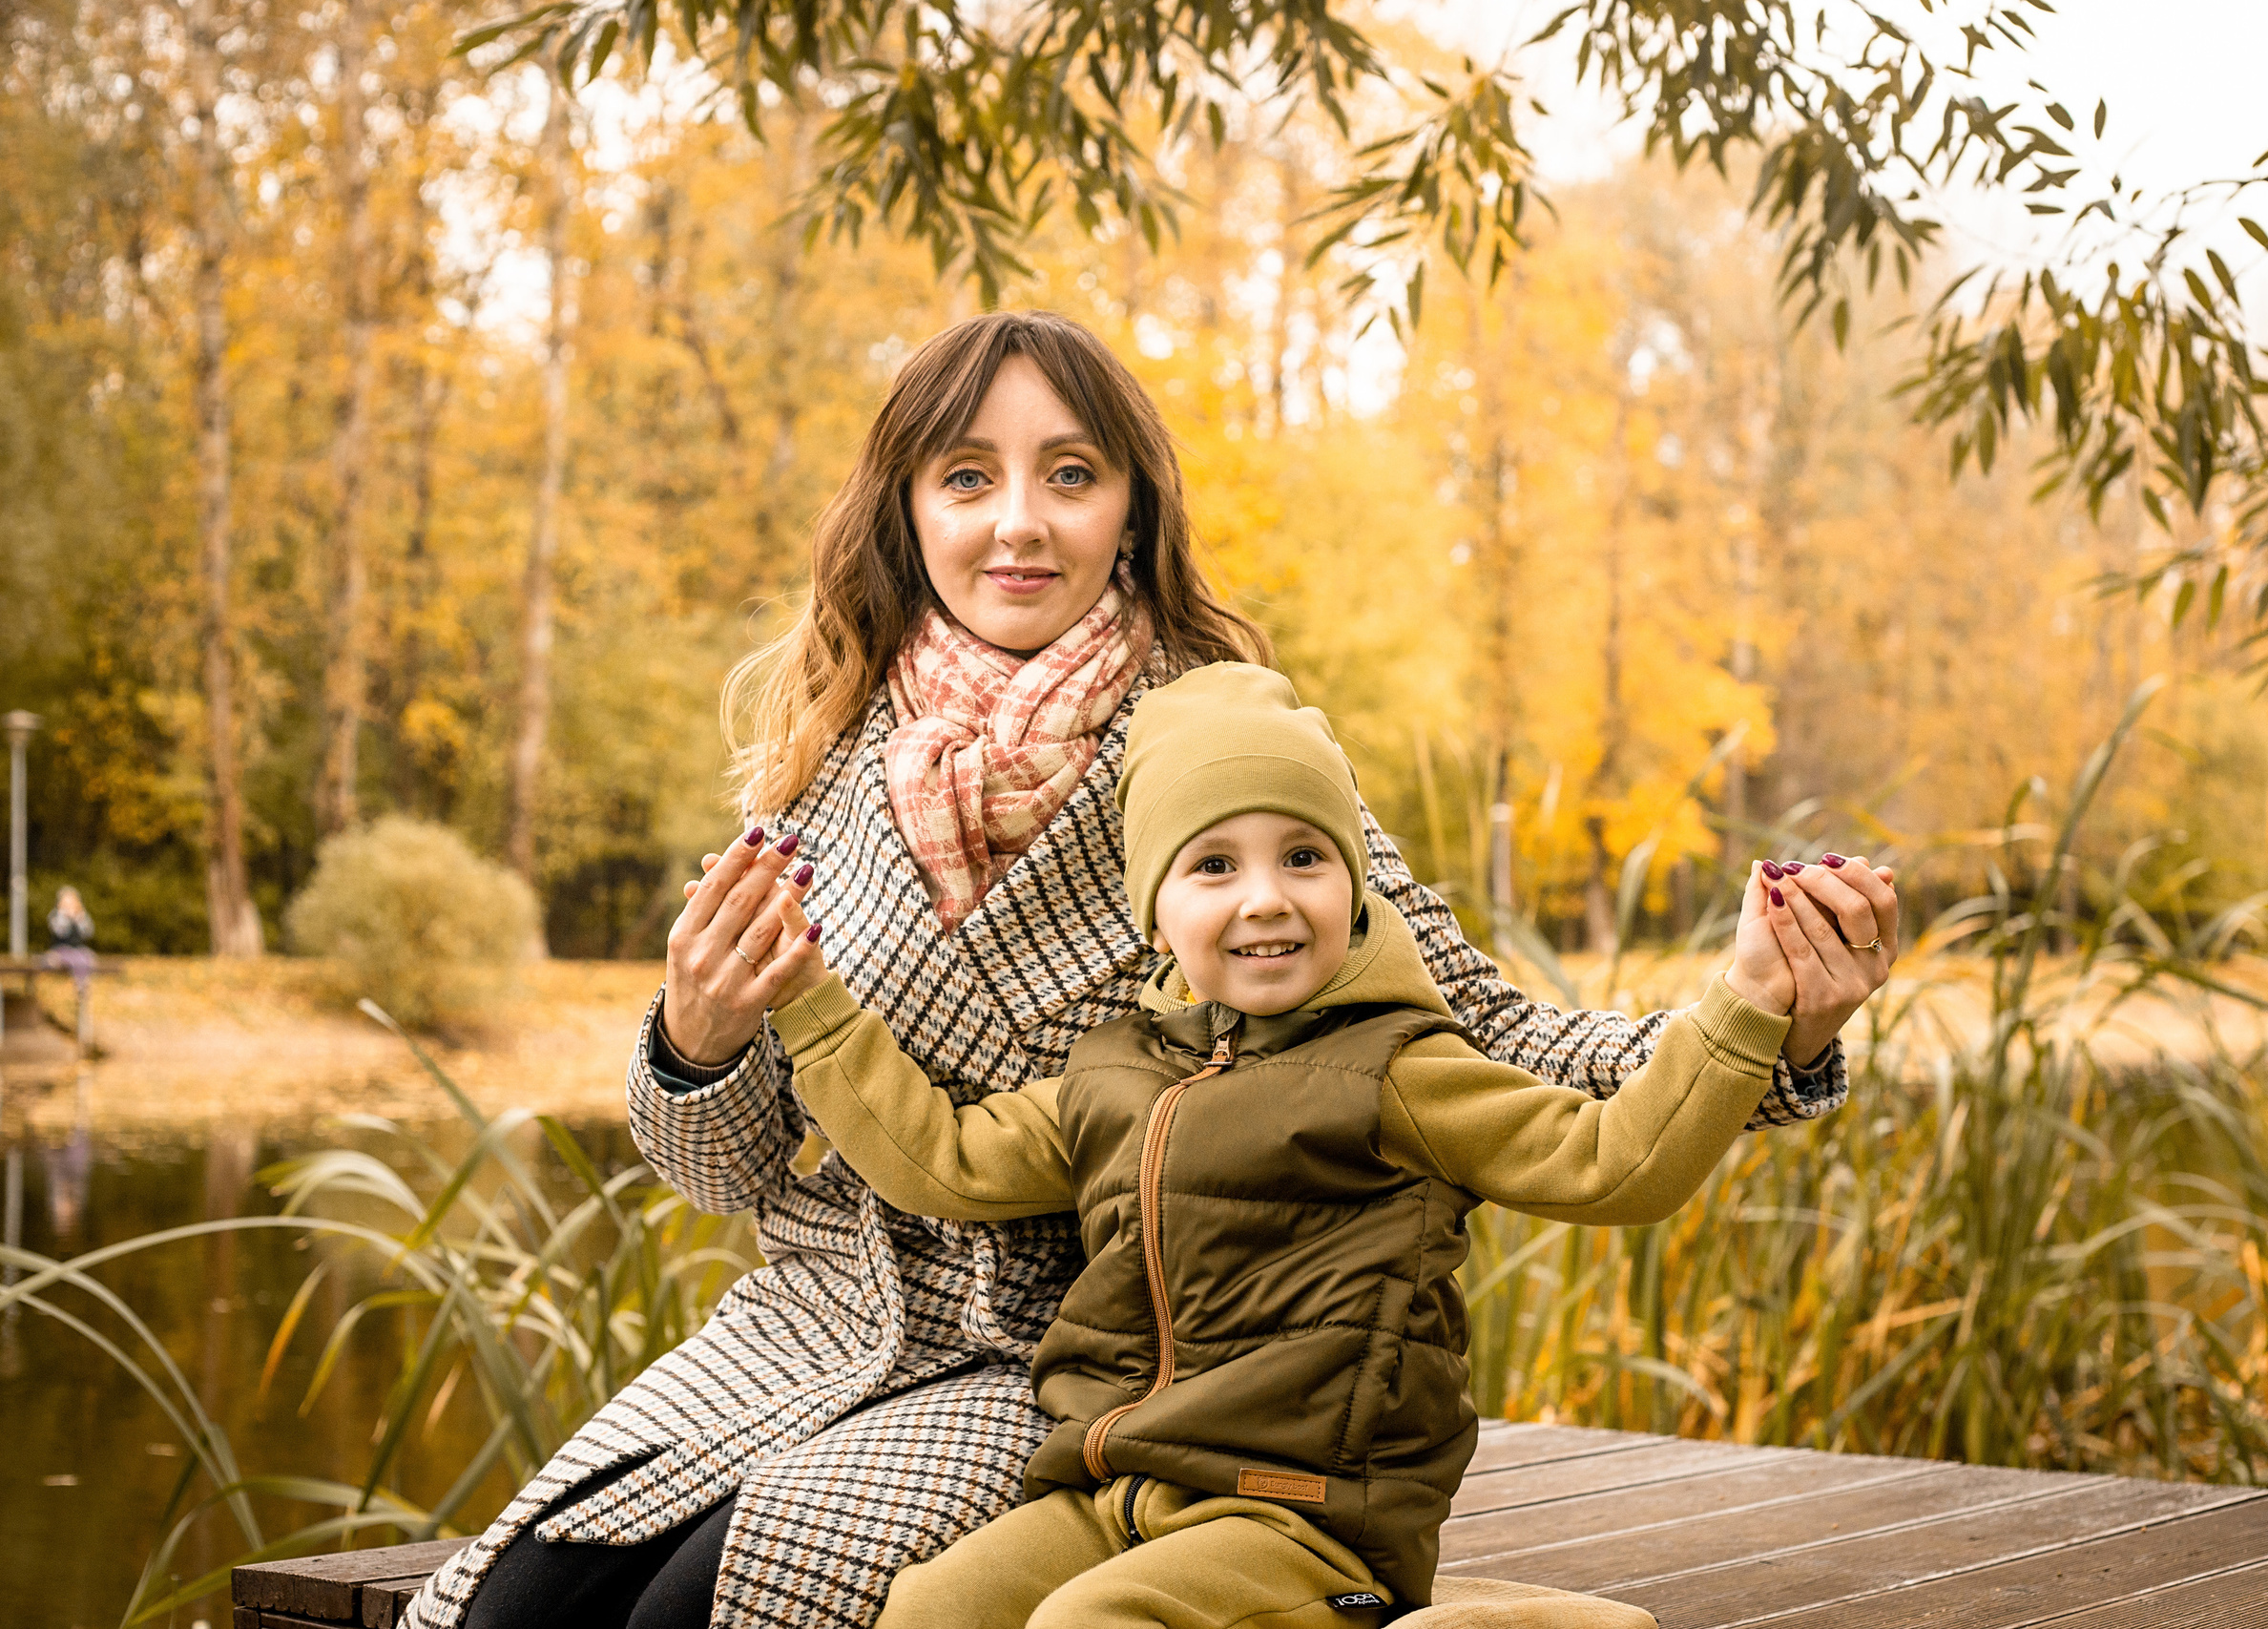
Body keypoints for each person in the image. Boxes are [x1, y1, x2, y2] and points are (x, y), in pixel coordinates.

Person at [406, 310, 1900, 1629]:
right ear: (908, 512)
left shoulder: (1226, 760)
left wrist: (1769, 1017)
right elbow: (723, 1172)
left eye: (1071, 473)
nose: (1019, 523)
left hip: (1067, 1355)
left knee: (717, 1603)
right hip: (805, 1316)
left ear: (1129, 510)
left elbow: (1487, 1029)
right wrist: (695, 1037)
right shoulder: (824, 766)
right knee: (515, 1601)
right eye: (968, 477)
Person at [759, 662, 1832, 1628]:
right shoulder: (1113, 1073)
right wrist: (805, 997)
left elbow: (1616, 1163)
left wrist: (1746, 1007)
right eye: (1213, 865)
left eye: (1304, 856)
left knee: (1095, 1628)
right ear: (1156, 908)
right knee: (932, 1610)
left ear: (1353, 883)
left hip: (1316, 1524)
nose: (1266, 897)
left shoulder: (1398, 1069)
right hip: (1118, 1495)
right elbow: (940, 1161)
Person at [44, 885, 97, 998]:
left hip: (77, 949)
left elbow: (88, 932)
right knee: (72, 958)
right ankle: (80, 985)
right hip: (61, 948)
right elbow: (60, 931)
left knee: (86, 957)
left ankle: (83, 984)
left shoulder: (81, 916)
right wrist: (65, 916)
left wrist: (79, 917)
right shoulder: (56, 916)